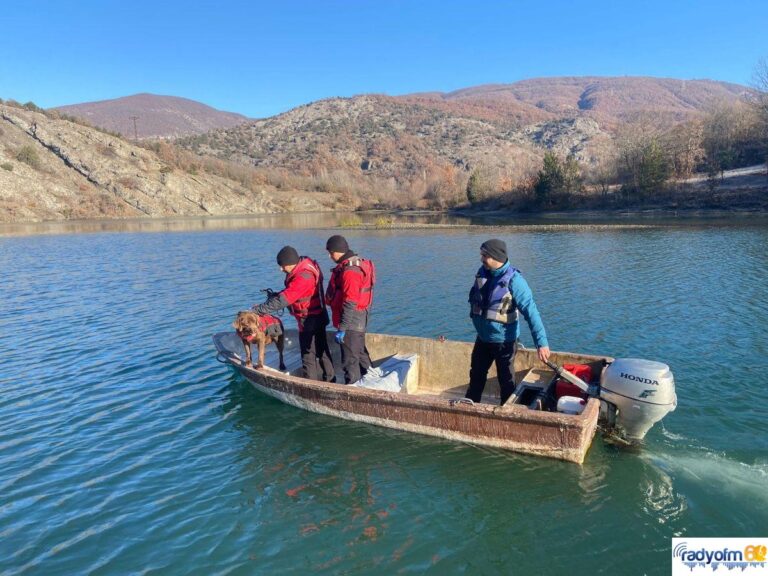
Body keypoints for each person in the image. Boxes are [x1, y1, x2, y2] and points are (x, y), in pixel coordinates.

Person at [465, 239, 550, 405]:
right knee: (476, 376)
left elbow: (531, 313)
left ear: (496, 256)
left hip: (504, 342)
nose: (481, 259)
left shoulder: (515, 281)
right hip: (483, 339)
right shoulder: (482, 273)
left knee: (506, 382)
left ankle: (507, 413)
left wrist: (542, 343)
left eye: (485, 255)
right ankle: (468, 408)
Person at [253, 246, 335, 382]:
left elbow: (285, 299)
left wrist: (258, 310)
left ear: (291, 263)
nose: (281, 269)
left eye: (282, 266)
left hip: (309, 320)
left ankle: (311, 386)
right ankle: (331, 379)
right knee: (322, 350)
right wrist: (277, 295)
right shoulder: (307, 265)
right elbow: (294, 292)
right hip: (319, 315)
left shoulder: (303, 277)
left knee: (308, 355)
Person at [325, 235, 375, 384]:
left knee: (349, 360)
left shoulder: (350, 272)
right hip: (359, 318)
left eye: (331, 252)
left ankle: (353, 389)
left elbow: (350, 302)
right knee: (359, 354)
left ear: (339, 251)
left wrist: (343, 328)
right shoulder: (355, 263)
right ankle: (373, 384)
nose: (329, 256)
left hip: (352, 321)